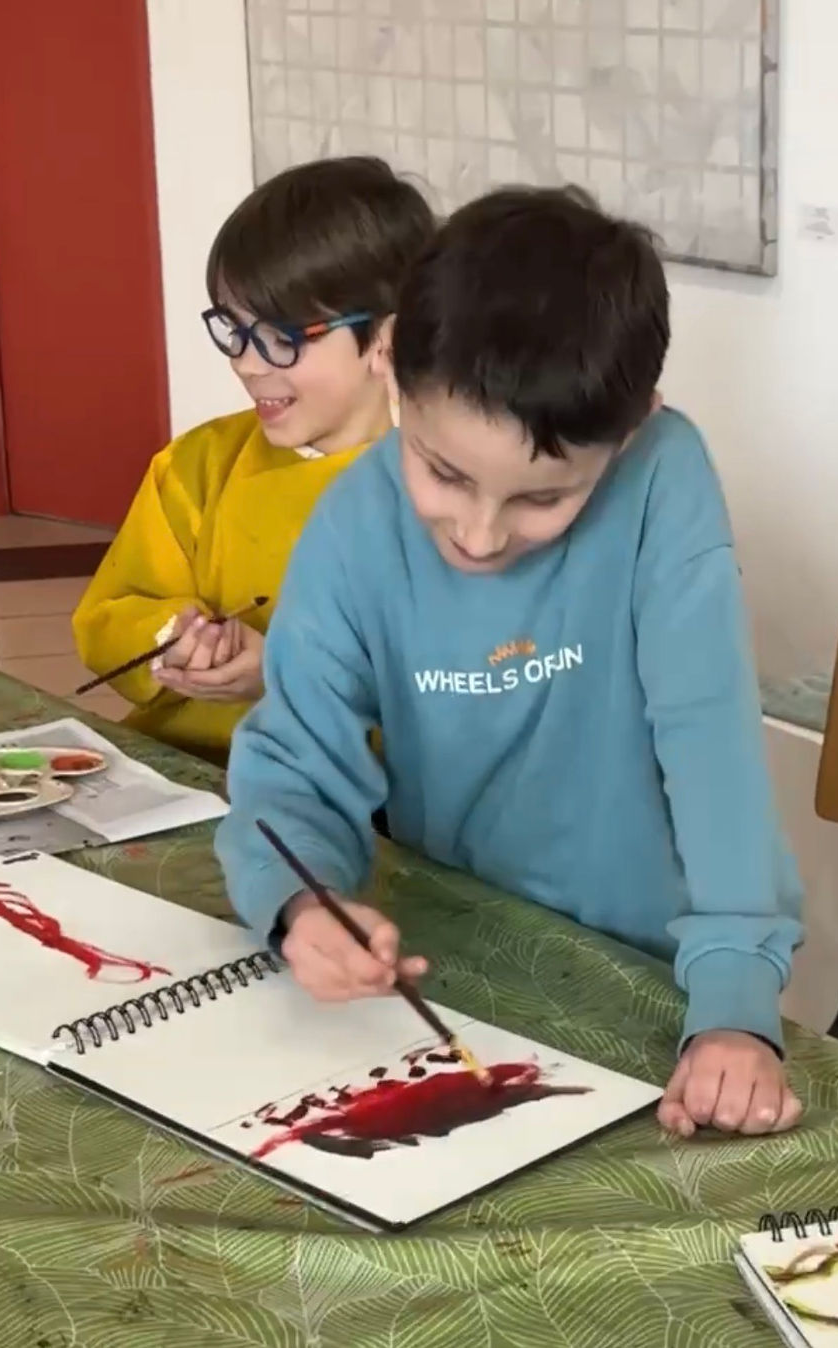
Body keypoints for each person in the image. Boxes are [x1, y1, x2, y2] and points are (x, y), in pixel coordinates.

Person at [216, 186, 804, 1140]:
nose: (481, 535)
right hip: (457, 965)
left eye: (541, 499)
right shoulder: (355, 523)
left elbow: (714, 757)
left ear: (633, 425)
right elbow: (294, 764)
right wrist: (303, 904)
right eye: (444, 473)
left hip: (649, 975)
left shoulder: (662, 476)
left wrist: (735, 1009)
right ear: (392, 362)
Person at [73, 157, 434, 760]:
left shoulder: (452, 495)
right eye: (232, 329)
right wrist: (171, 636)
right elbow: (110, 613)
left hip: (353, 796)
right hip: (181, 769)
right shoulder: (199, 465)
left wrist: (288, 673)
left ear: (386, 339)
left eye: (280, 338)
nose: (245, 362)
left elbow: (458, 688)